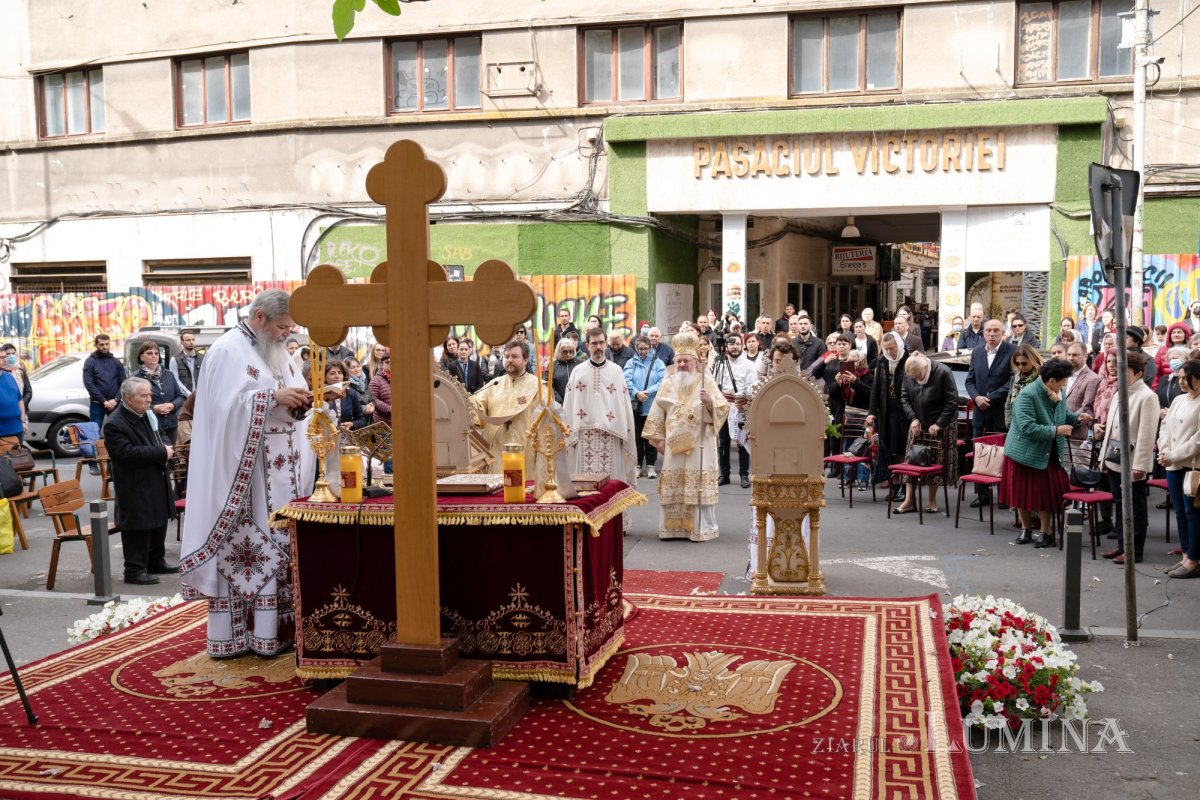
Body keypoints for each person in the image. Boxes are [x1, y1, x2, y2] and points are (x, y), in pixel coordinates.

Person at [180, 289, 315, 658]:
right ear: (259, 317)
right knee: (252, 549)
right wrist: (272, 398)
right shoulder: (228, 351)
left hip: (283, 472)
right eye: (282, 327)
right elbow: (221, 412)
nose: (286, 334)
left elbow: (292, 396)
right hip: (246, 478)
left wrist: (305, 401)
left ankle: (279, 631)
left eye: (290, 328)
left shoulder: (277, 351)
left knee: (281, 544)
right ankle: (242, 635)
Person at [641, 330, 729, 542]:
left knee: (696, 483)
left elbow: (723, 407)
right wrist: (659, 439)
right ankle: (672, 528)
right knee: (675, 482)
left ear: (694, 361)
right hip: (674, 443)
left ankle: (699, 528)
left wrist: (709, 402)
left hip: (700, 442)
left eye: (686, 361)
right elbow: (657, 411)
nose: (681, 365)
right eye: (678, 361)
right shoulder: (668, 382)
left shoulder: (705, 381)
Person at [999, 359, 1080, 548]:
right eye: (1063, 382)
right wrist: (1057, 430)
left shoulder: (1058, 392)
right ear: (1051, 380)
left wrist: (1077, 418)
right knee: (1020, 494)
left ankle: (1046, 532)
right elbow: (1027, 428)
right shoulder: (1027, 395)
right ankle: (1026, 528)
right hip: (1023, 452)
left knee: (1045, 495)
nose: (1064, 385)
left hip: (1048, 452)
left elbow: (1062, 415)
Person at [104, 377, 176, 585]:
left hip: (155, 475)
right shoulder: (115, 423)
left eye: (150, 395)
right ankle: (134, 570)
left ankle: (156, 562)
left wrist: (166, 447)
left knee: (158, 520)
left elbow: (162, 435)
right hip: (134, 482)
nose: (149, 399)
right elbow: (126, 453)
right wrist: (161, 451)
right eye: (144, 396)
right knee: (139, 525)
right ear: (128, 398)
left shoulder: (147, 414)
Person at [1100, 351, 1160, 565]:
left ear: (1138, 373)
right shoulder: (1121, 392)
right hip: (1114, 456)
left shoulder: (1147, 396)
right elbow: (1110, 428)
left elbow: (1147, 434)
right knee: (1119, 503)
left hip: (1133, 459)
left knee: (1135, 506)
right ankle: (1122, 544)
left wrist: (1140, 465)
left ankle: (1135, 550)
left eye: (1124, 371)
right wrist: (1103, 457)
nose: (1119, 374)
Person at [562, 328, 638, 488]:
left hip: (611, 434)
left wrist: (625, 430)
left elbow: (624, 405)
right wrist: (569, 432)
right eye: (594, 343)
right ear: (587, 345)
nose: (598, 347)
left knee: (611, 484)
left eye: (601, 343)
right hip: (584, 435)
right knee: (584, 486)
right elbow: (569, 404)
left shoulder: (616, 371)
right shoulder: (578, 372)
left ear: (606, 344)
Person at [470, 339, 545, 476]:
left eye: (515, 356)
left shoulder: (538, 386)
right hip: (496, 448)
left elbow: (546, 422)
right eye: (507, 356)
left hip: (526, 448)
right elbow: (477, 407)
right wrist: (466, 400)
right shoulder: (494, 384)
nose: (509, 360)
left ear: (525, 360)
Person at [896, 352, 958, 514]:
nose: (916, 380)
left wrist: (939, 423)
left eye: (918, 376)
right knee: (911, 459)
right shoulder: (909, 372)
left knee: (935, 460)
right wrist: (913, 418)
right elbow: (904, 398)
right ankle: (909, 500)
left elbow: (952, 401)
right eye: (913, 377)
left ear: (925, 368)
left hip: (940, 422)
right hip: (918, 422)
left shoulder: (943, 372)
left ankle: (931, 500)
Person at [1156, 359, 1200, 579]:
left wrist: (1172, 455)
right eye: (1180, 377)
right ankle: (1185, 555)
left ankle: (1194, 559)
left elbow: (1197, 441)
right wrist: (1164, 451)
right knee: (1180, 513)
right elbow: (1165, 427)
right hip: (1172, 464)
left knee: (1193, 514)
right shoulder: (1179, 399)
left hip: (1192, 466)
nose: (1180, 382)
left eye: (1186, 378)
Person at [709, 334, 756, 488]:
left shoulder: (749, 365)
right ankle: (724, 474)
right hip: (723, 405)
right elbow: (713, 384)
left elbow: (752, 386)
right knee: (723, 441)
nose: (734, 347)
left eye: (737, 344)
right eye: (731, 344)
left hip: (740, 405)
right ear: (726, 346)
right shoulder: (720, 363)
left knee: (742, 441)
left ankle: (744, 474)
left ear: (742, 345)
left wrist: (741, 398)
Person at [866, 332, 909, 497]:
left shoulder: (907, 359)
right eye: (886, 349)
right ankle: (895, 484)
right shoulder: (882, 361)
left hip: (904, 413)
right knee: (889, 450)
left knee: (902, 450)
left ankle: (905, 486)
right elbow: (876, 388)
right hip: (886, 412)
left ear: (898, 344)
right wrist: (872, 412)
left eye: (892, 348)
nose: (889, 352)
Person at [82, 333, 127, 470]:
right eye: (101, 344)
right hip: (98, 404)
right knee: (93, 434)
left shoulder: (116, 362)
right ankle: (93, 464)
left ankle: (115, 463)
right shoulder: (90, 362)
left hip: (115, 403)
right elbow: (89, 384)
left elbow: (123, 382)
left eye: (107, 344)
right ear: (96, 345)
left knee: (117, 432)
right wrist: (103, 401)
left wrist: (116, 399)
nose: (105, 347)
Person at [625, 335, 666, 479]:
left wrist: (647, 392)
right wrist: (636, 393)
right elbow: (626, 380)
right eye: (641, 349)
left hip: (652, 406)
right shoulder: (631, 363)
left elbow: (662, 381)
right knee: (637, 438)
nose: (643, 352)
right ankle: (637, 465)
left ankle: (650, 465)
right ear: (636, 348)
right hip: (636, 406)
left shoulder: (658, 363)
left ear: (650, 348)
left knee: (651, 438)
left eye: (646, 349)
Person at [133, 341, 189, 444]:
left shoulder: (169, 374)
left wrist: (173, 405)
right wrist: (153, 408)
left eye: (156, 353)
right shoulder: (135, 378)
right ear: (141, 357)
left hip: (171, 424)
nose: (154, 355)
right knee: (156, 452)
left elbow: (180, 396)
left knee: (172, 451)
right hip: (149, 426)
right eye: (149, 353)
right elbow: (133, 403)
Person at [1063, 342, 1101, 438]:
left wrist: (1065, 423)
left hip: (1076, 434)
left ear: (1085, 356)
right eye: (1069, 355)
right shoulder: (1062, 375)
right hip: (1059, 432)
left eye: (1075, 355)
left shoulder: (1093, 379)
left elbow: (1086, 407)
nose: (1071, 358)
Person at [1003, 345, 1044, 428]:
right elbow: (1008, 402)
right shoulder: (1016, 377)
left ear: (1033, 359)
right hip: (1014, 424)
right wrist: (1009, 423)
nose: (1020, 367)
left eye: (1024, 363)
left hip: (1034, 424)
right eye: (1017, 363)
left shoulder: (1042, 377)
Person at [0, 345, 30, 444]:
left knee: (18, 454)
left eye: (5, 357)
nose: (5, 360)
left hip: (16, 429)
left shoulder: (10, 377)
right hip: (2, 432)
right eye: (1, 357)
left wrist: (23, 421)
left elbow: (19, 399)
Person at [324, 361, 367, 431]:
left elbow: (362, 420)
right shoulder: (320, 396)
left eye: (340, 373)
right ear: (324, 377)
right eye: (332, 373)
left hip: (346, 435)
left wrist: (352, 424)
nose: (337, 376)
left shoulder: (351, 394)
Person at [1153, 323, 1191, 389]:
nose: (1176, 335)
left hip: (1187, 385)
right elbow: (1156, 373)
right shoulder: (1162, 350)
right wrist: (1155, 389)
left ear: (1185, 334)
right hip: (1167, 386)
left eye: (1179, 332)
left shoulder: (1191, 350)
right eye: (1173, 332)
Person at [168, 328, 205, 396]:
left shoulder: (202, 358)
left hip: (201, 396)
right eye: (188, 340)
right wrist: (190, 395)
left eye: (193, 339)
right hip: (184, 398)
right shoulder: (175, 360)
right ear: (182, 342)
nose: (191, 342)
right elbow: (175, 380)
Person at [1157, 346, 1190, 415]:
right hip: (1164, 417)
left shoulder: (1191, 378)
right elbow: (1157, 398)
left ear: (1186, 359)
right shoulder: (1164, 379)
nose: (1172, 361)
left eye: (1175, 358)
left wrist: (1172, 411)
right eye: (1170, 360)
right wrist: (1161, 409)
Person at [551, 338, 577, 404]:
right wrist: (559, 400)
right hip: (559, 404)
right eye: (565, 352)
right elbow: (548, 385)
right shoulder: (552, 366)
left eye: (571, 351)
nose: (568, 354)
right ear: (559, 351)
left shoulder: (579, 364)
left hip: (577, 402)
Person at [370, 352, 392, 426]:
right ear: (382, 364)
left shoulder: (401, 378)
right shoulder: (375, 380)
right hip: (383, 424)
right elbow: (374, 399)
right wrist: (389, 409)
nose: (390, 364)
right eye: (387, 362)